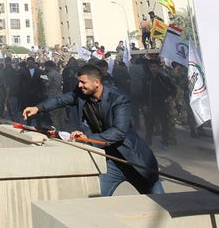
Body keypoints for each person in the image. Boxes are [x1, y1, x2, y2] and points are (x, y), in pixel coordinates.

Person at [22, 64, 164, 196]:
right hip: (110, 163)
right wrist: (38, 108)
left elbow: (119, 131)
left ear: (96, 82)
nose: (79, 85)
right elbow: (60, 100)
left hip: (133, 160)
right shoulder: (81, 94)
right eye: (79, 82)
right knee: (95, 199)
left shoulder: (118, 98)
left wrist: (88, 139)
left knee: (164, 205)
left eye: (83, 82)